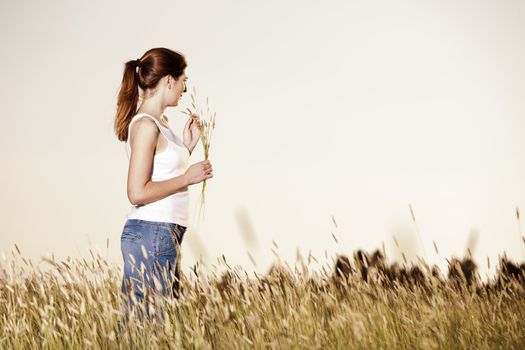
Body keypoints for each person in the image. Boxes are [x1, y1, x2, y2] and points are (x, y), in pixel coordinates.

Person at [113, 47, 213, 320]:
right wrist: (187, 177)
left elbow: (161, 173)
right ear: (169, 80)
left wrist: (187, 147)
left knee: (153, 328)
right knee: (143, 330)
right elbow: (137, 192)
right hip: (152, 232)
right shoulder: (146, 126)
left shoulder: (162, 123)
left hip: (164, 232)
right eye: (183, 81)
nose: (184, 88)